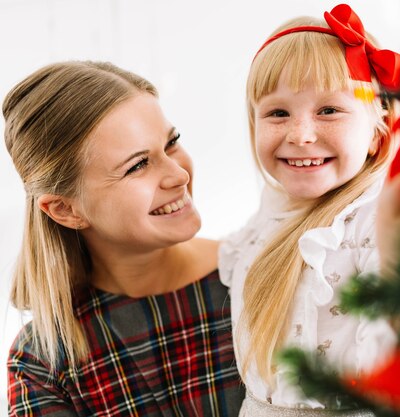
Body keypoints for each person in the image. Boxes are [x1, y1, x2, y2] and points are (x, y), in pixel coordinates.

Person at [4, 61, 244, 416]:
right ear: (65, 210)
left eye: (172, 142)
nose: (178, 174)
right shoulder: (43, 364)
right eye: (137, 165)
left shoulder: (260, 279)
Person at [218, 4, 400, 415]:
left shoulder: (375, 220)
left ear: (378, 132)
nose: (301, 135)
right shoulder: (273, 212)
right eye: (277, 113)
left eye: (329, 110)